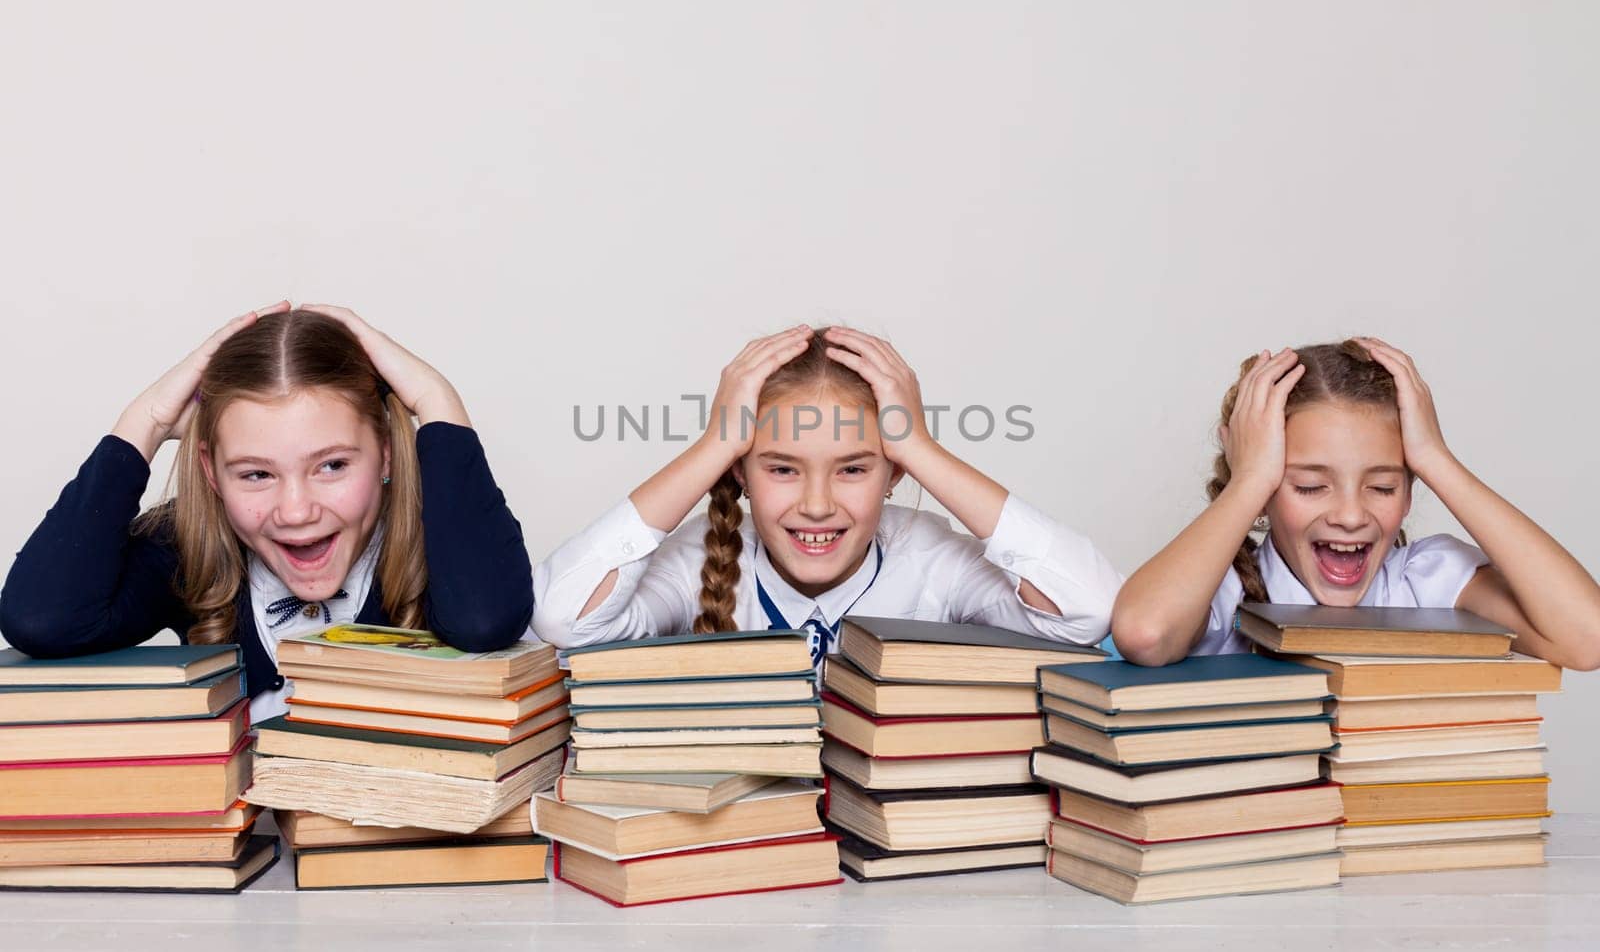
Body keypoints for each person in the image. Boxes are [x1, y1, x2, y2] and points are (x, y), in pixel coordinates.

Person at [0, 303, 534, 720]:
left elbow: (486, 620)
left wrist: (436, 400)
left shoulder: (441, 543)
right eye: (256, 474)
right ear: (213, 474)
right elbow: (43, 619)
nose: (296, 511)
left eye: (331, 466)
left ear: (386, 453)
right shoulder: (186, 550)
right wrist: (148, 419)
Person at [532, 324, 1121, 668]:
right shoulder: (697, 561)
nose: (816, 505)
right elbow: (565, 618)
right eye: (783, 469)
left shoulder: (930, 559)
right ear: (742, 472)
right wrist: (716, 445)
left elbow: (1087, 610)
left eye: (852, 469)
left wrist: (918, 447)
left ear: (893, 475)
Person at [1111, 338, 1600, 669]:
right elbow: (1146, 633)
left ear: (1410, 490)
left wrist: (1435, 459)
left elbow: (1587, 637)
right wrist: (1249, 480)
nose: (1349, 516)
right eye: (1309, 487)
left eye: (1383, 488)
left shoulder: (1427, 583)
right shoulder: (1221, 592)